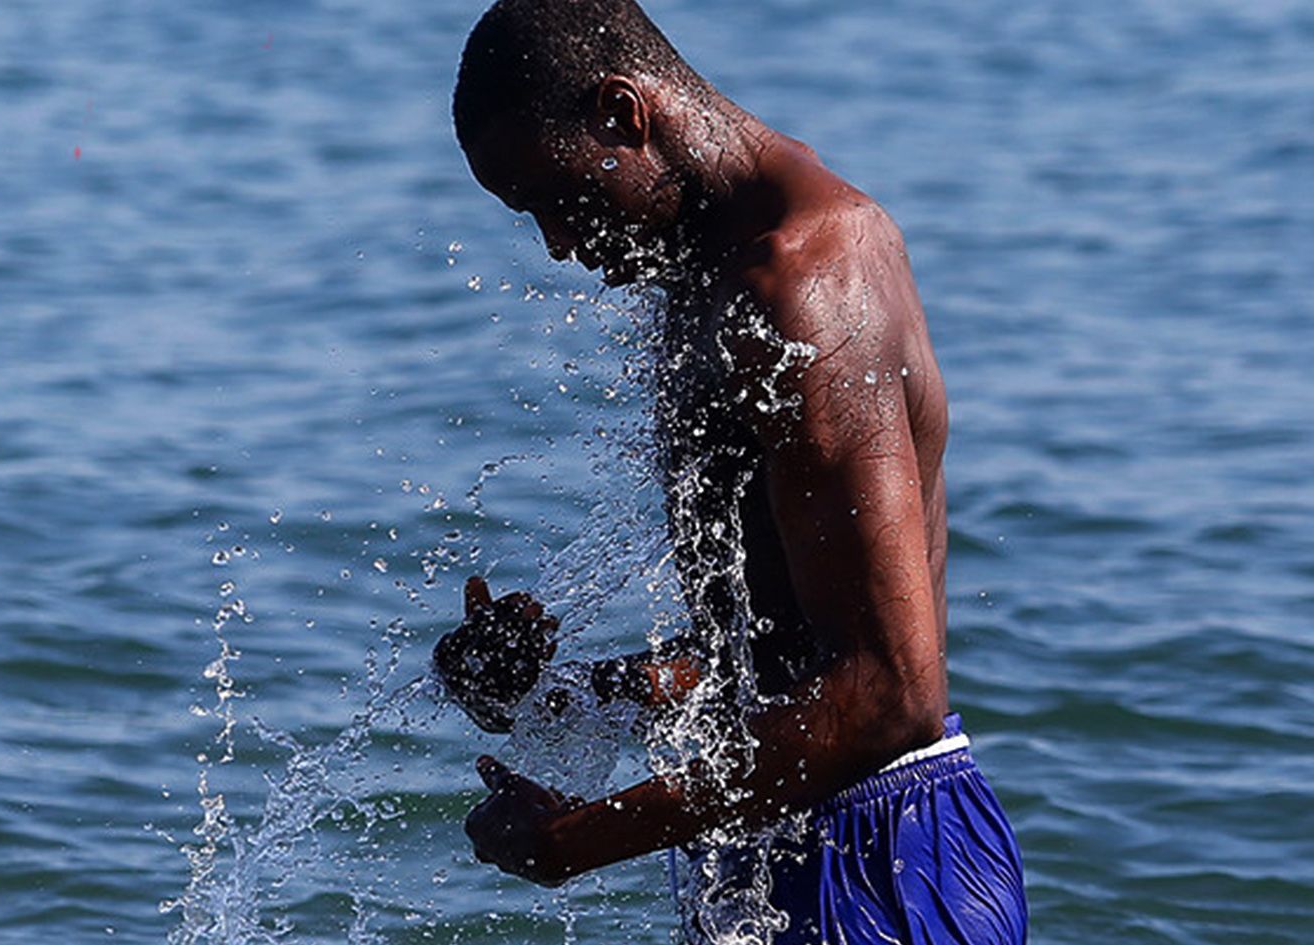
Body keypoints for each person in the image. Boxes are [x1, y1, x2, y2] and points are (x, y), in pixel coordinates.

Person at [435, 1, 1027, 942]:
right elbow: (773, 661)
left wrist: (570, 842)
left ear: (626, 114)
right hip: (780, 844)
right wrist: (563, 692)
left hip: (880, 858)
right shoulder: (710, 273)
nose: (557, 243)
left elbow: (885, 697)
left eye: (555, 196)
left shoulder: (806, 285)